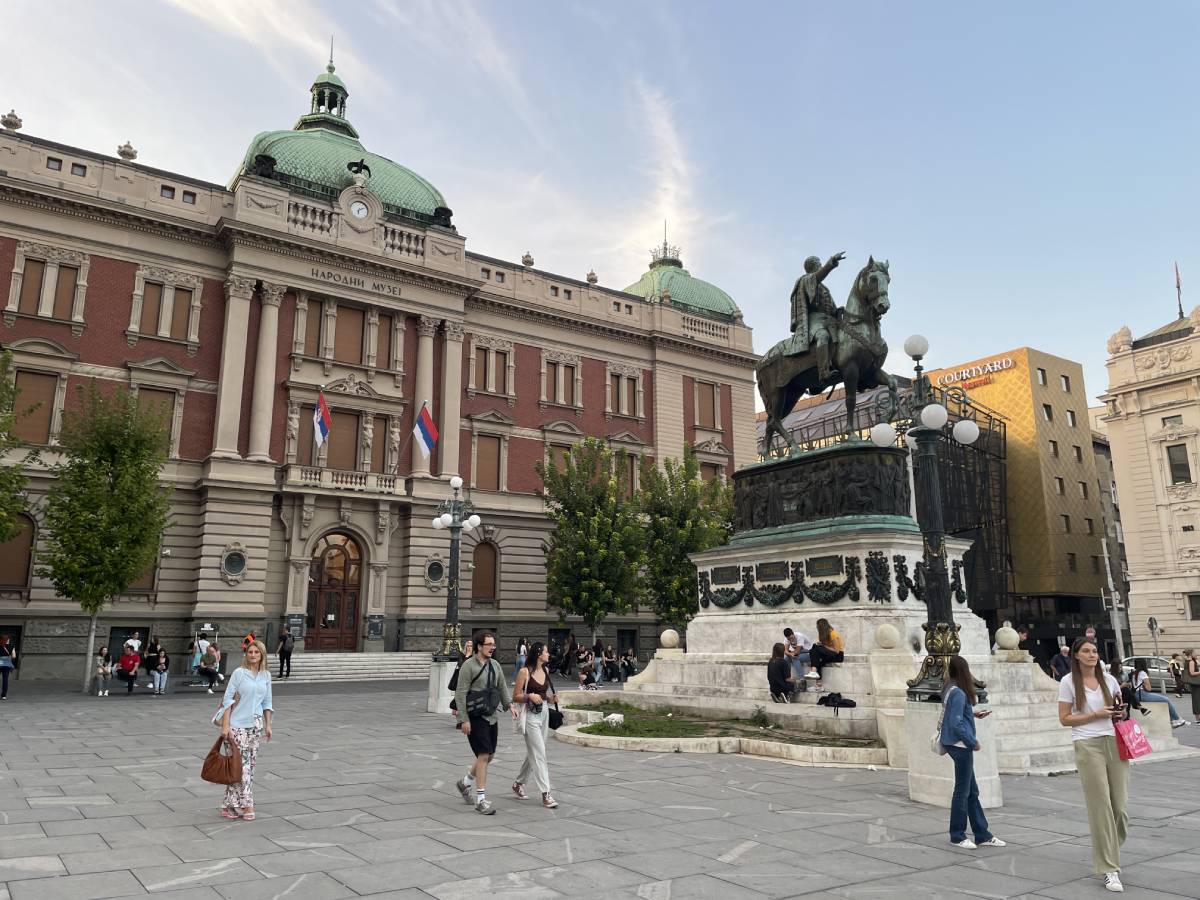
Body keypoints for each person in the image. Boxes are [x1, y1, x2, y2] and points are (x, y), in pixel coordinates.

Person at [1058, 636, 1129, 893]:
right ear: (1076, 655)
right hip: (1087, 745)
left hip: (1114, 742)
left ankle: (1109, 849)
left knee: (1119, 808)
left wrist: (1120, 712)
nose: (1092, 654)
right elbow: (1064, 719)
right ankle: (1110, 867)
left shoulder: (1109, 680)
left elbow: (1120, 712)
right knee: (1101, 808)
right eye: (1086, 651)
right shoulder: (1067, 683)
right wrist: (1095, 715)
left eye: (1095, 650)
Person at [939, 655, 1004, 850]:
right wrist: (972, 742)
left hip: (953, 744)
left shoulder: (949, 689)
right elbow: (956, 723)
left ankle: (982, 833)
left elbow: (954, 715)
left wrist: (972, 713)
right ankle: (958, 835)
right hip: (961, 745)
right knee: (963, 791)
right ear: (965, 671)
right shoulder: (959, 692)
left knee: (971, 791)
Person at [453, 631, 515, 815]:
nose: (492, 647)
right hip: (475, 716)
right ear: (479, 646)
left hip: (491, 716)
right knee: (483, 754)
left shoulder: (495, 665)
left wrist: (509, 705)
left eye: (493, 644)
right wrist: (463, 719)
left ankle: (465, 783)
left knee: (490, 755)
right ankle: (481, 800)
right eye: (489, 644)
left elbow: (502, 686)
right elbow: (460, 693)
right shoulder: (468, 666)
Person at [216, 640, 274, 821]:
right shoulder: (239, 673)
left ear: (262, 655)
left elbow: (267, 703)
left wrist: (268, 725)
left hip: (255, 726)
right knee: (243, 767)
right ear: (246, 654)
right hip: (236, 726)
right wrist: (225, 727)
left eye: (257, 652)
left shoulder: (266, 676)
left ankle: (229, 806)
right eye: (251, 652)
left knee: (247, 767)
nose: (253, 655)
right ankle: (248, 804)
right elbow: (227, 700)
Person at [512, 641, 559, 809]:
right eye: (546, 652)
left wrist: (551, 699)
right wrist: (529, 696)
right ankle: (546, 793)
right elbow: (515, 696)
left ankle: (518, 783)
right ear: (539, 654)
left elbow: (543, 695)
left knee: (535, 751)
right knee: (539, 753)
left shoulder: (545, 670)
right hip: (530, 715)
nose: (548, 654)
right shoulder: (524, 672)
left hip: (544, 712)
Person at [1131, 659, 1186, 727]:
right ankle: (1176, 719)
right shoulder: (1142, 673)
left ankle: (1173, 719)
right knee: (1166, 699)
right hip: (1143, 694)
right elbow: (1149, 688)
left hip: (1137, 694)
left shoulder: (1134, 673)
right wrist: (1145, 685)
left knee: (1164, 699)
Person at [808, 618, 845, 690]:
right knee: (816, 657)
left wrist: (823, 646)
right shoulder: (821, 635)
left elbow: (836, 651)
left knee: (815, 647)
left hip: (838, 656)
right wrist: (821, 645)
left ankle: (813, 671)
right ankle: (819, 686)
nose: (817, 628)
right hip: (829, 654)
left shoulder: (833, 634)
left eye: (818, 626)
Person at [1184, 649, 1200, 725]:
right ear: (1191, 654)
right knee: (1197, 700)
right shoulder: (1191, 662)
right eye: (1194, 652)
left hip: (1194, 684)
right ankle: (1198, 719)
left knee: (1196, 700)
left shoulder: (1189, 661)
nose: (1196, 653)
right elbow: (1192, 673)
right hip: (1196, 684)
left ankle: (1198, 719)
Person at [0, 634, 15, 700]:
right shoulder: (12, 646)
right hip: (6, 665)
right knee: (5, 680)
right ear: (8, 639)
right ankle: (4, 695)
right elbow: (14, 656)